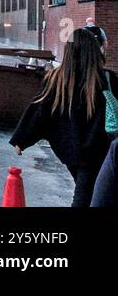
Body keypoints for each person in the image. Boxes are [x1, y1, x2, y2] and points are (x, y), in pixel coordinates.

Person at [11, 29, 114, 207]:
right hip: (98, 151)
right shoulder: (106, 79)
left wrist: (22, 139)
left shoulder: (56, 80)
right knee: (87, 194)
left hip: (70, 151)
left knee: (87, 191)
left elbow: (39, 110)